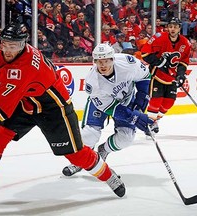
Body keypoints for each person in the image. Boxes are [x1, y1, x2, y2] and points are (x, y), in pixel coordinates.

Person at [0, 23, 126, 207]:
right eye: (4, 44)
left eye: (12, 46)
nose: (7, 49)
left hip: (53, 108)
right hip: (25, 101)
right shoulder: (5, 46)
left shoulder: (26, 67)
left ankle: (110, 177)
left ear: (23, 45)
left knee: (76, 155)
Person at [62, 43, 153, 176]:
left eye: (106, 61)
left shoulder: (128, 62)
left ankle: (103, 150)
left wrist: (140, 104)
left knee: (126, 138)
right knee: (89, 135)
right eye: (99, 62)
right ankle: (79, 161)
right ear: (95, 62)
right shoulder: (93, 83)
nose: (103, 65)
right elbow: (111, 108)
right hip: (101, 104)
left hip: (127, 100)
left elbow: (144, 77)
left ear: (112, 59)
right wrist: (134, 117)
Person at [141, 17, 191, 134]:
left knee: (169, 103)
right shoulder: (158, 37)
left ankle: (154, 121)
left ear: (179, 28)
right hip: (157, 75)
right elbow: (145, 53)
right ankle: (150, 124)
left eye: (175, 27)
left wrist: (180, 75)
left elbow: (183, 61)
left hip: (171, 78)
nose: (173, 29)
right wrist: (160, 63)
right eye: (171, 26)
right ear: (168, 27)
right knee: (156, 100)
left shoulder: (185, 43)